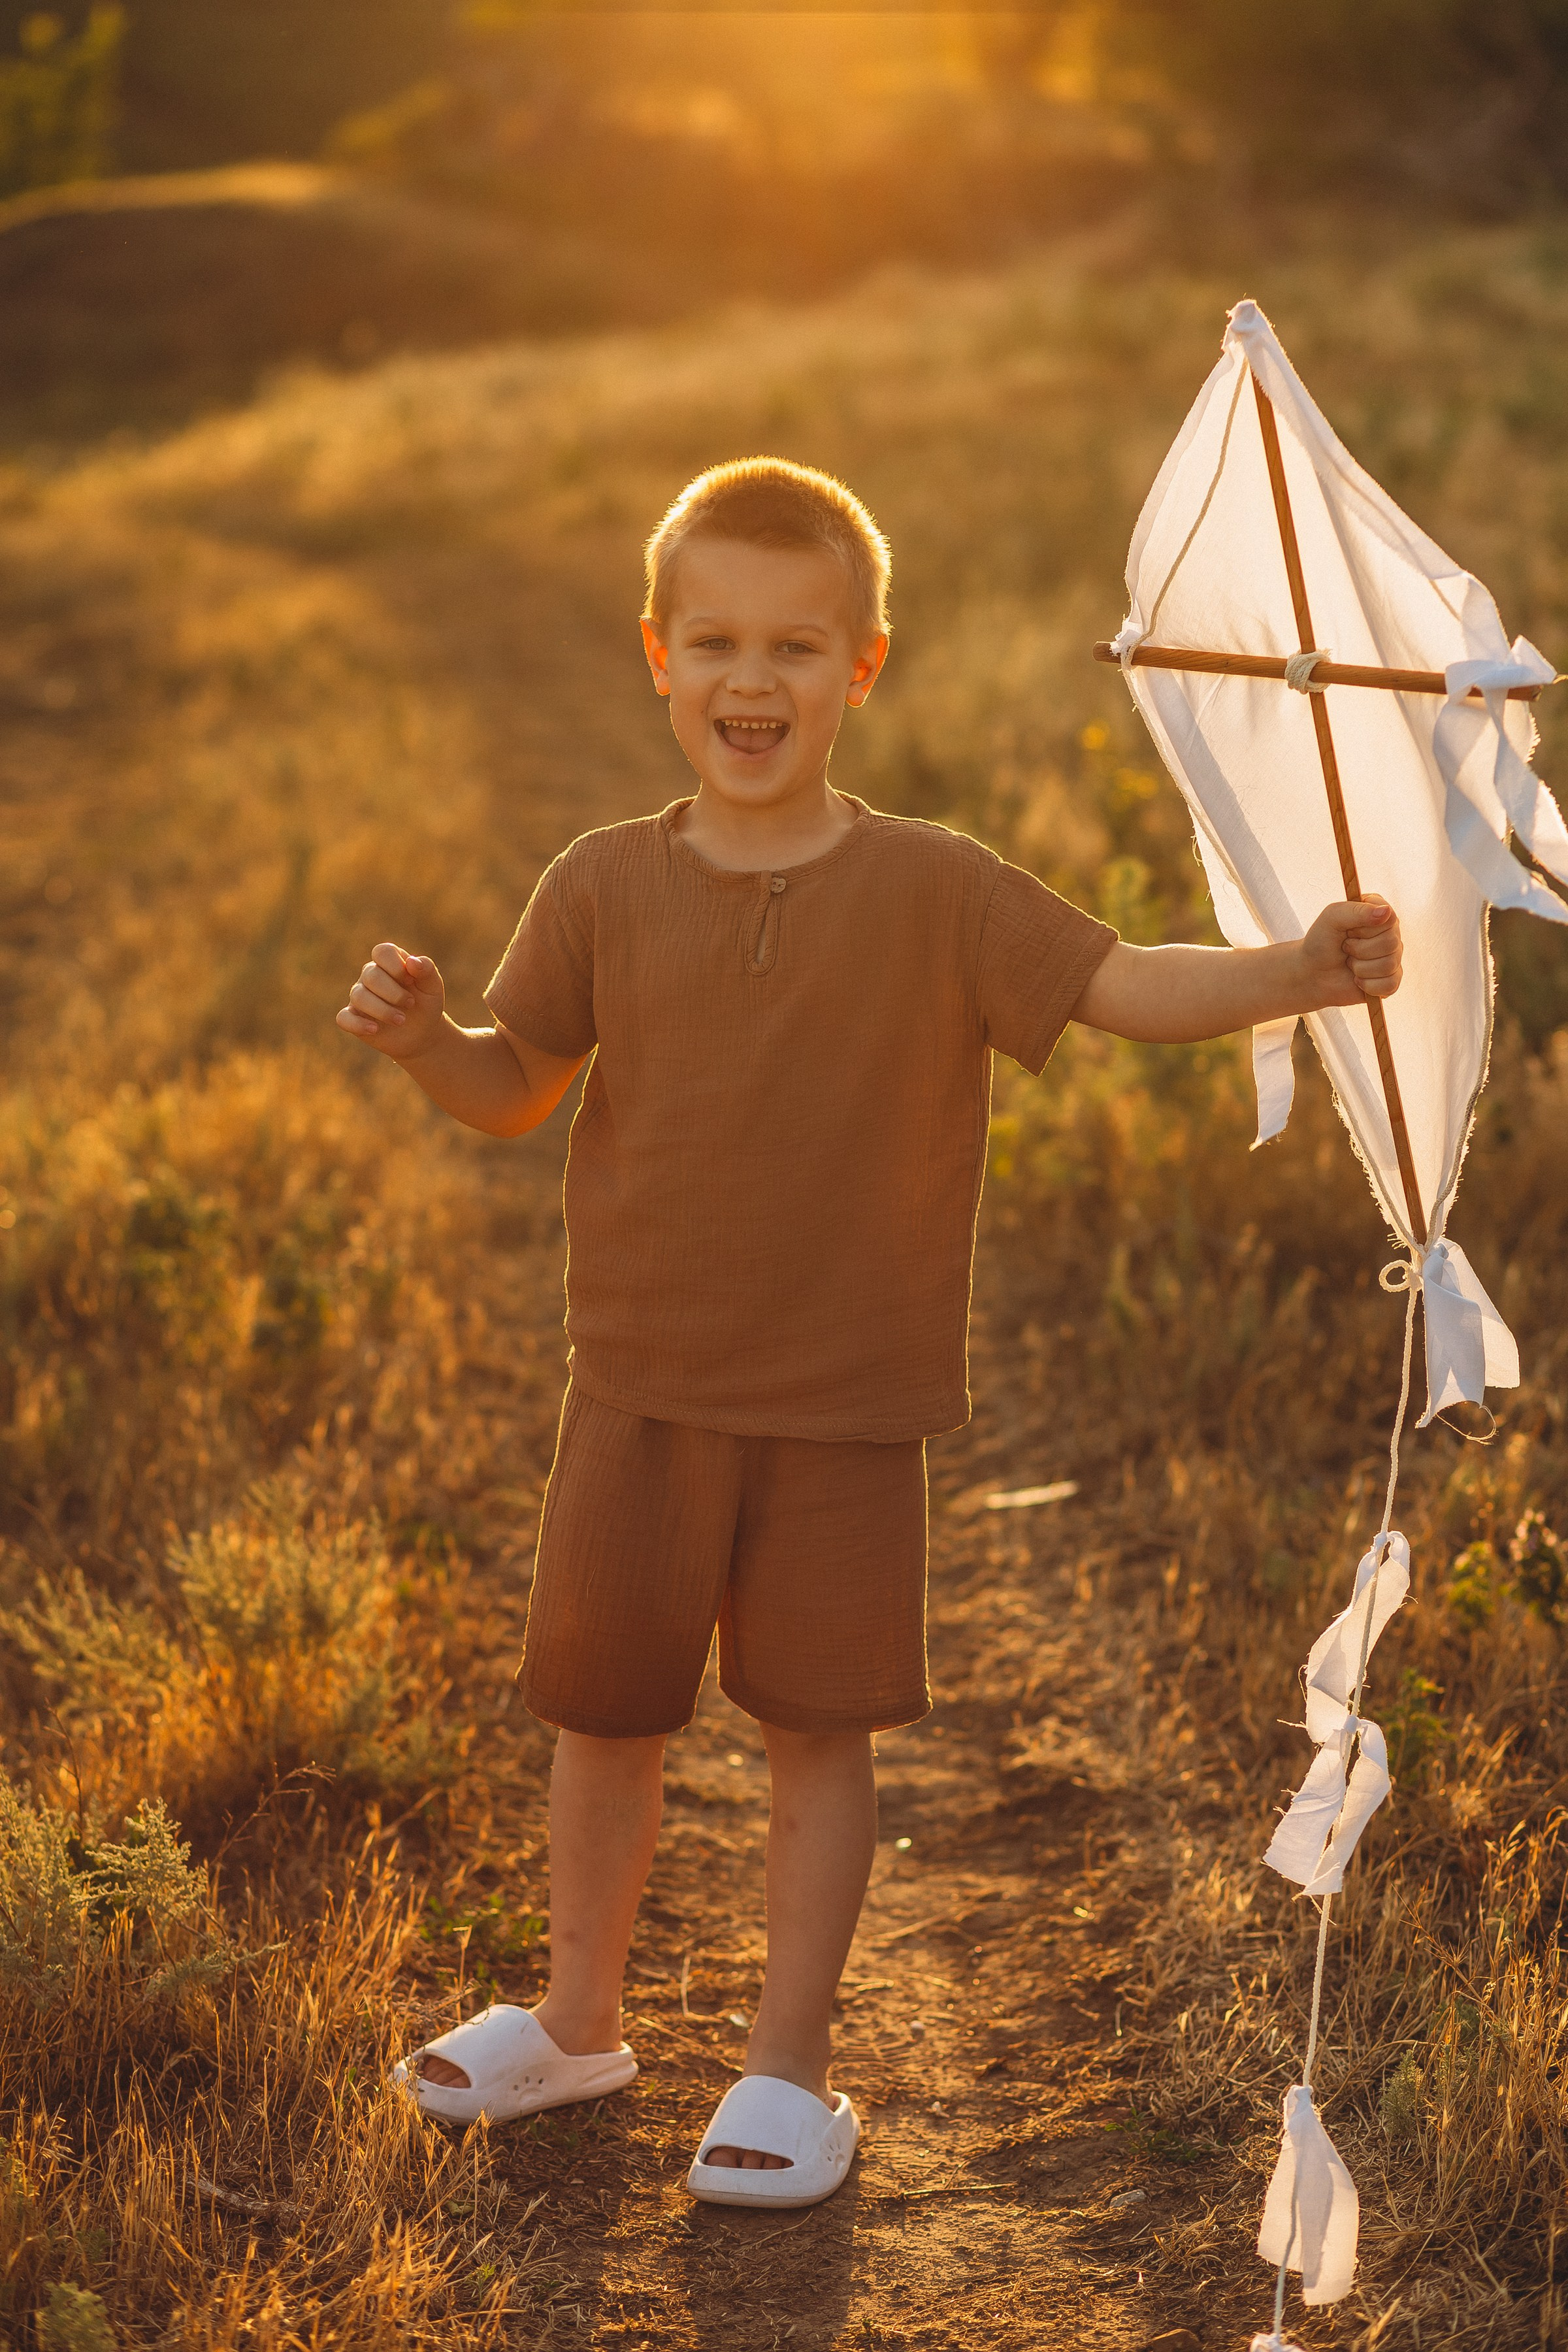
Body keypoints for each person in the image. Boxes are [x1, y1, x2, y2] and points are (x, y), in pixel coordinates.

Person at [337, 458, 1402, 2210]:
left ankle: (786, 2074)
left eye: (799, 648)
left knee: (815, 1734)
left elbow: (1121, 982)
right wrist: (426, 1040)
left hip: (842, 1411)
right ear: (660, 659)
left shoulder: (938, 889)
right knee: (603, 1721)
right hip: (642, 1397)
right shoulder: (601, 883)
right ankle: (580, 2020)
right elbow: (515, 1087)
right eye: (721, 644)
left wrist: (1293, 970)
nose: (756, 683)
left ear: (866, 668)